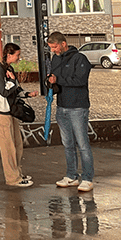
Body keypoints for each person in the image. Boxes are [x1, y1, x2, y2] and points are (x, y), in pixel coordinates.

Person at [48, 31, 95, 192]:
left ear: (63, 43)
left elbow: (81, 80)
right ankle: (71, 176)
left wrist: (58, 80)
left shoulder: (80, 58)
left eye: (55, 47)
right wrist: (50, 86)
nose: (54, 50)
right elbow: (55, 79)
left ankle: (87, 178)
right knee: (67, 144)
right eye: (51, 48)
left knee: (82, 144)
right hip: (62, 106)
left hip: (78, 107)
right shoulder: (55, 59)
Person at [0, 43, 38, 188]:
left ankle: (17, 172)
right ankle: (12, 178)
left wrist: (27, 94)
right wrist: (11, 81)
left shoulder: (8, 68)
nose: (19, 57)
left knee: (17, 144)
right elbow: (3, 91)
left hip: (11, 111)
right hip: (1, 113)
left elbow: (15, 89)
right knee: (8, 147)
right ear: (9, 55)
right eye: (17, 55)